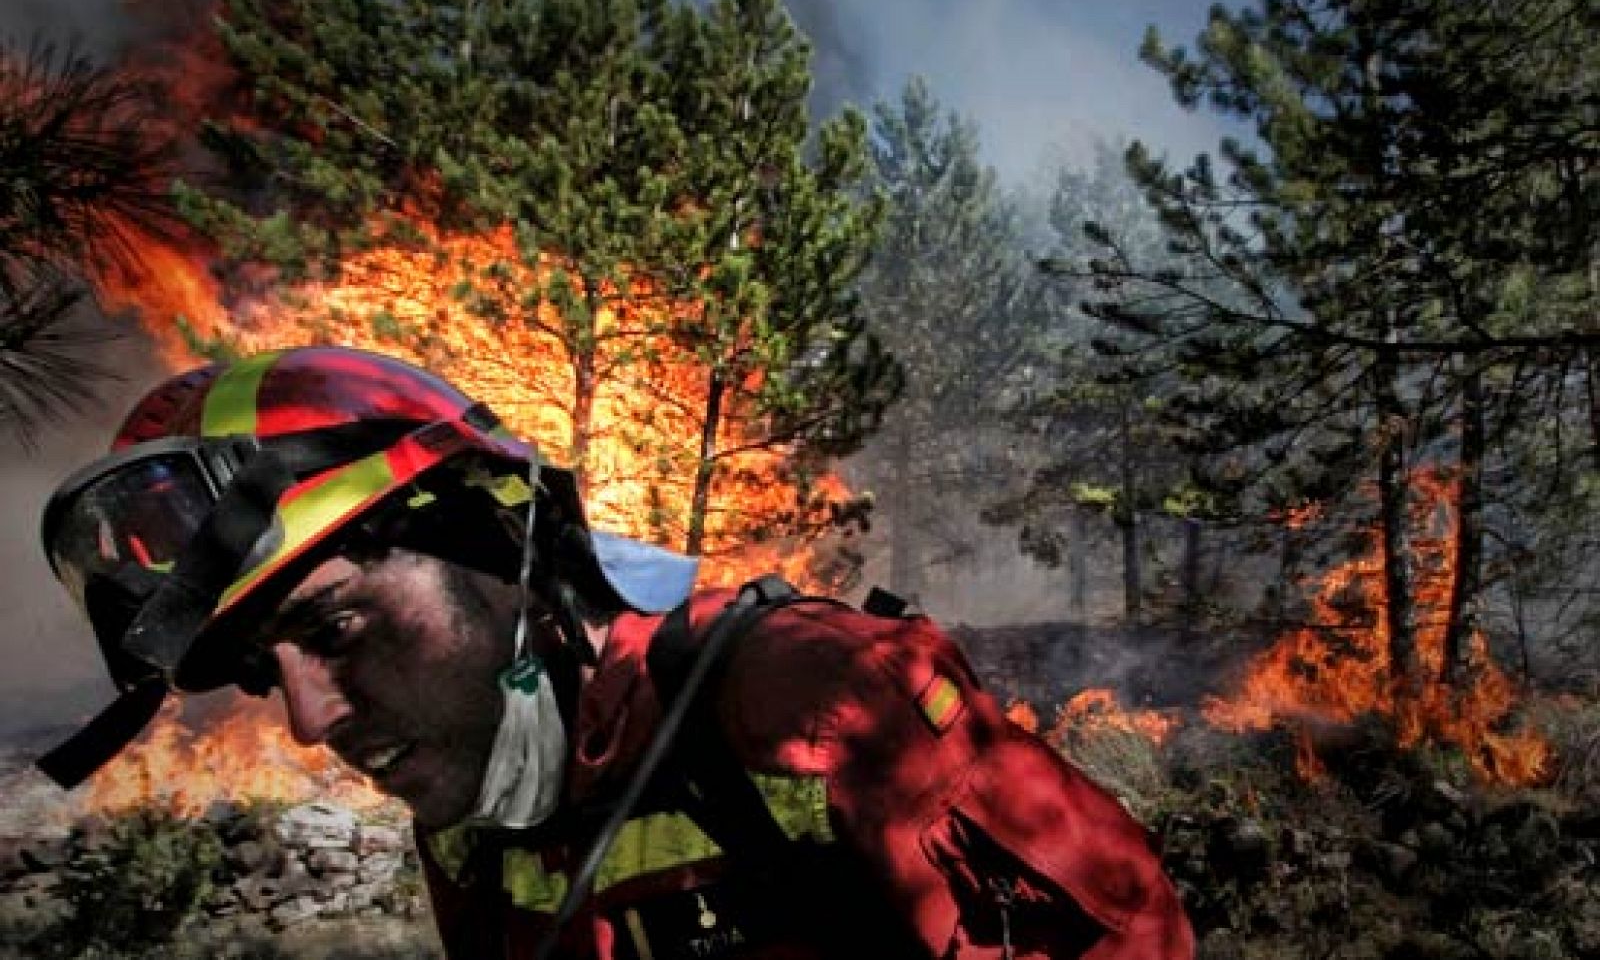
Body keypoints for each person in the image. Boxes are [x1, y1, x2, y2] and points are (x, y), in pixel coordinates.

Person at [37, 345, 1195, 959]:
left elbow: (1129, 935)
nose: (305, 721)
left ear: (503, 548)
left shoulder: (811, 700)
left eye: (334, 628)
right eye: (257, 669)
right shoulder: (469, 807)